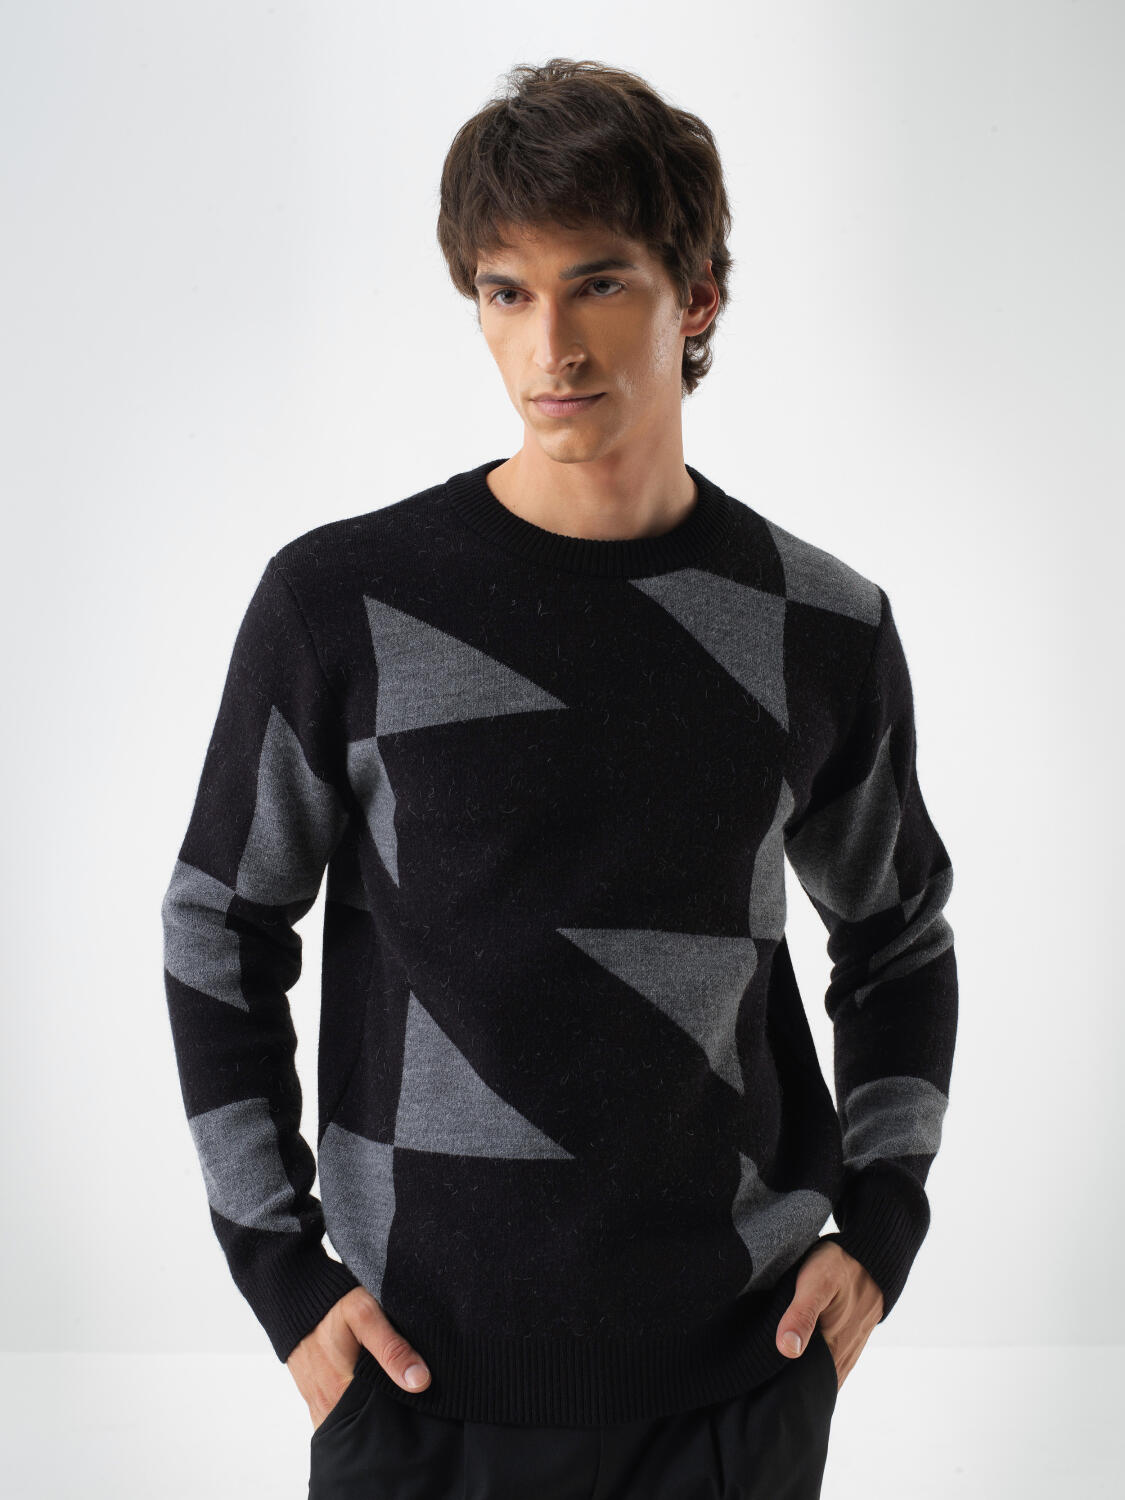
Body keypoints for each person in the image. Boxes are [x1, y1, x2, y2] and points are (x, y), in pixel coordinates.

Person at [161, 56, 958, 1500]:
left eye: (597, 283)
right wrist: (280, 1273)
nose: (551, 345)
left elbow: (896, 937)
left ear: (696, 296)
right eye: (504, 291)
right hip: (416, 1389)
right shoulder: (344, 603)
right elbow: (219, 924)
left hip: (736, 1391)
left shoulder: (820, 624)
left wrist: (882, 1229)